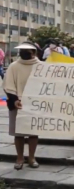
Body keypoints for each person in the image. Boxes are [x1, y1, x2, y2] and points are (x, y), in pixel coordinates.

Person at [2, 42, 41, 170]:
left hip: (35, 103)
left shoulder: (41, 66)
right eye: (22, 50)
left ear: (34, 52)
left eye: (27, 51)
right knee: (18, 133)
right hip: (17, 102)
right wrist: (14, 100)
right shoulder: (14, 66)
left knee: (33, 132)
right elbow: (8, 85)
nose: (24, 53)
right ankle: (19, 158)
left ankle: (32, 157)